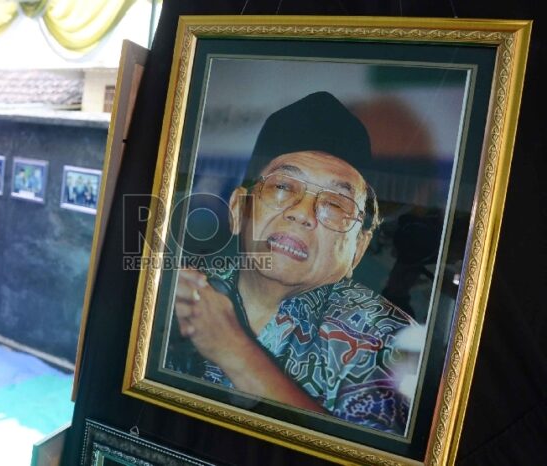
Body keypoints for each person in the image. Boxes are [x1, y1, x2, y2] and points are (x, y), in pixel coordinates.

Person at [167, 92, 417, 434]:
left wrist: (234, 350)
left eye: (335, 204)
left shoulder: (387, 340)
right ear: (239, 210)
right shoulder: (174, 293)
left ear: (358, 248)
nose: (301, 213)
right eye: (283, 187)